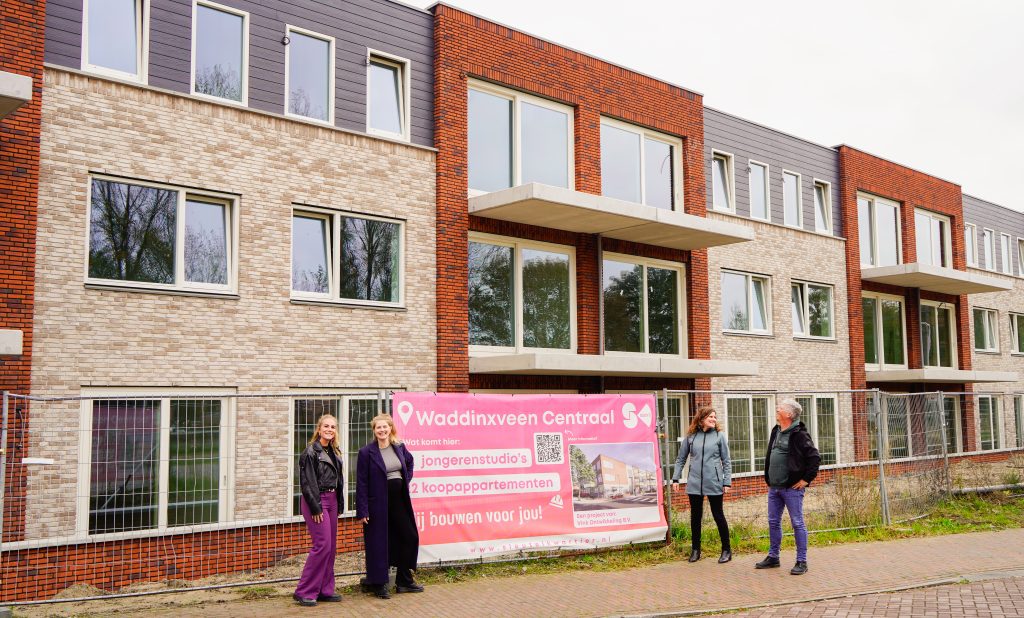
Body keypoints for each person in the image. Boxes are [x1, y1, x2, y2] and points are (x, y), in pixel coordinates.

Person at [356, 413, 422, 599]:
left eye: (385, 427)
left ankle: (404, 581)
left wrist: (404, 480)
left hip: (399, 501)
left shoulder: (399, 447)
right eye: (379, 427)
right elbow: (361, 482)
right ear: (374, 430)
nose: (382, 430)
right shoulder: (366, 452)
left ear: (390, 428)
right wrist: (363, 510)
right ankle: (379, 584)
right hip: (377, 504)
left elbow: (409, 463)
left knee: (408, 536)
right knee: (380, 543)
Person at [755, 399, 821, 575]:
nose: (777, 409)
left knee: (797, 523)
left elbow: (814, 458)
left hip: (792, 489)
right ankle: (773, 557)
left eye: (781, 408)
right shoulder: (776, 431)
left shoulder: (800, 435)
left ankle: (801, 561)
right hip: (774, 487)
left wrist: (806, 479)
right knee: (773, 522)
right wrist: (769, 478)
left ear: (789, 414)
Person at [294, 415, 345, 607]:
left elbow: (338, 481)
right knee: (322, 545)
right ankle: (304, 591)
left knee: (331, 547)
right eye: (326, 426)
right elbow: (307, 482)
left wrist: (339, 504)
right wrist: (316, 506)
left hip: (332, 500)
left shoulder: (333, 451)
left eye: (333, 426)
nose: (329, 429)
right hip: (316, 500)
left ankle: (325, 589)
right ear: (319, 428)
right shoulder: (310, 452)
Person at [672, 406, 733, 563]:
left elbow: (726, 461)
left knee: (718, 515)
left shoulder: (720, 436)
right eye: (710, 417)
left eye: (714, 416)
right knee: (695, 517)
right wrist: (676, 478)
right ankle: (696, 550)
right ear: (701, 419)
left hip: (714, 481)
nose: (713, 419)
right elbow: (681, 459)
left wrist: (727, 481)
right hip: (694, 482)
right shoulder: (691, 437)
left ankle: (726, 550)